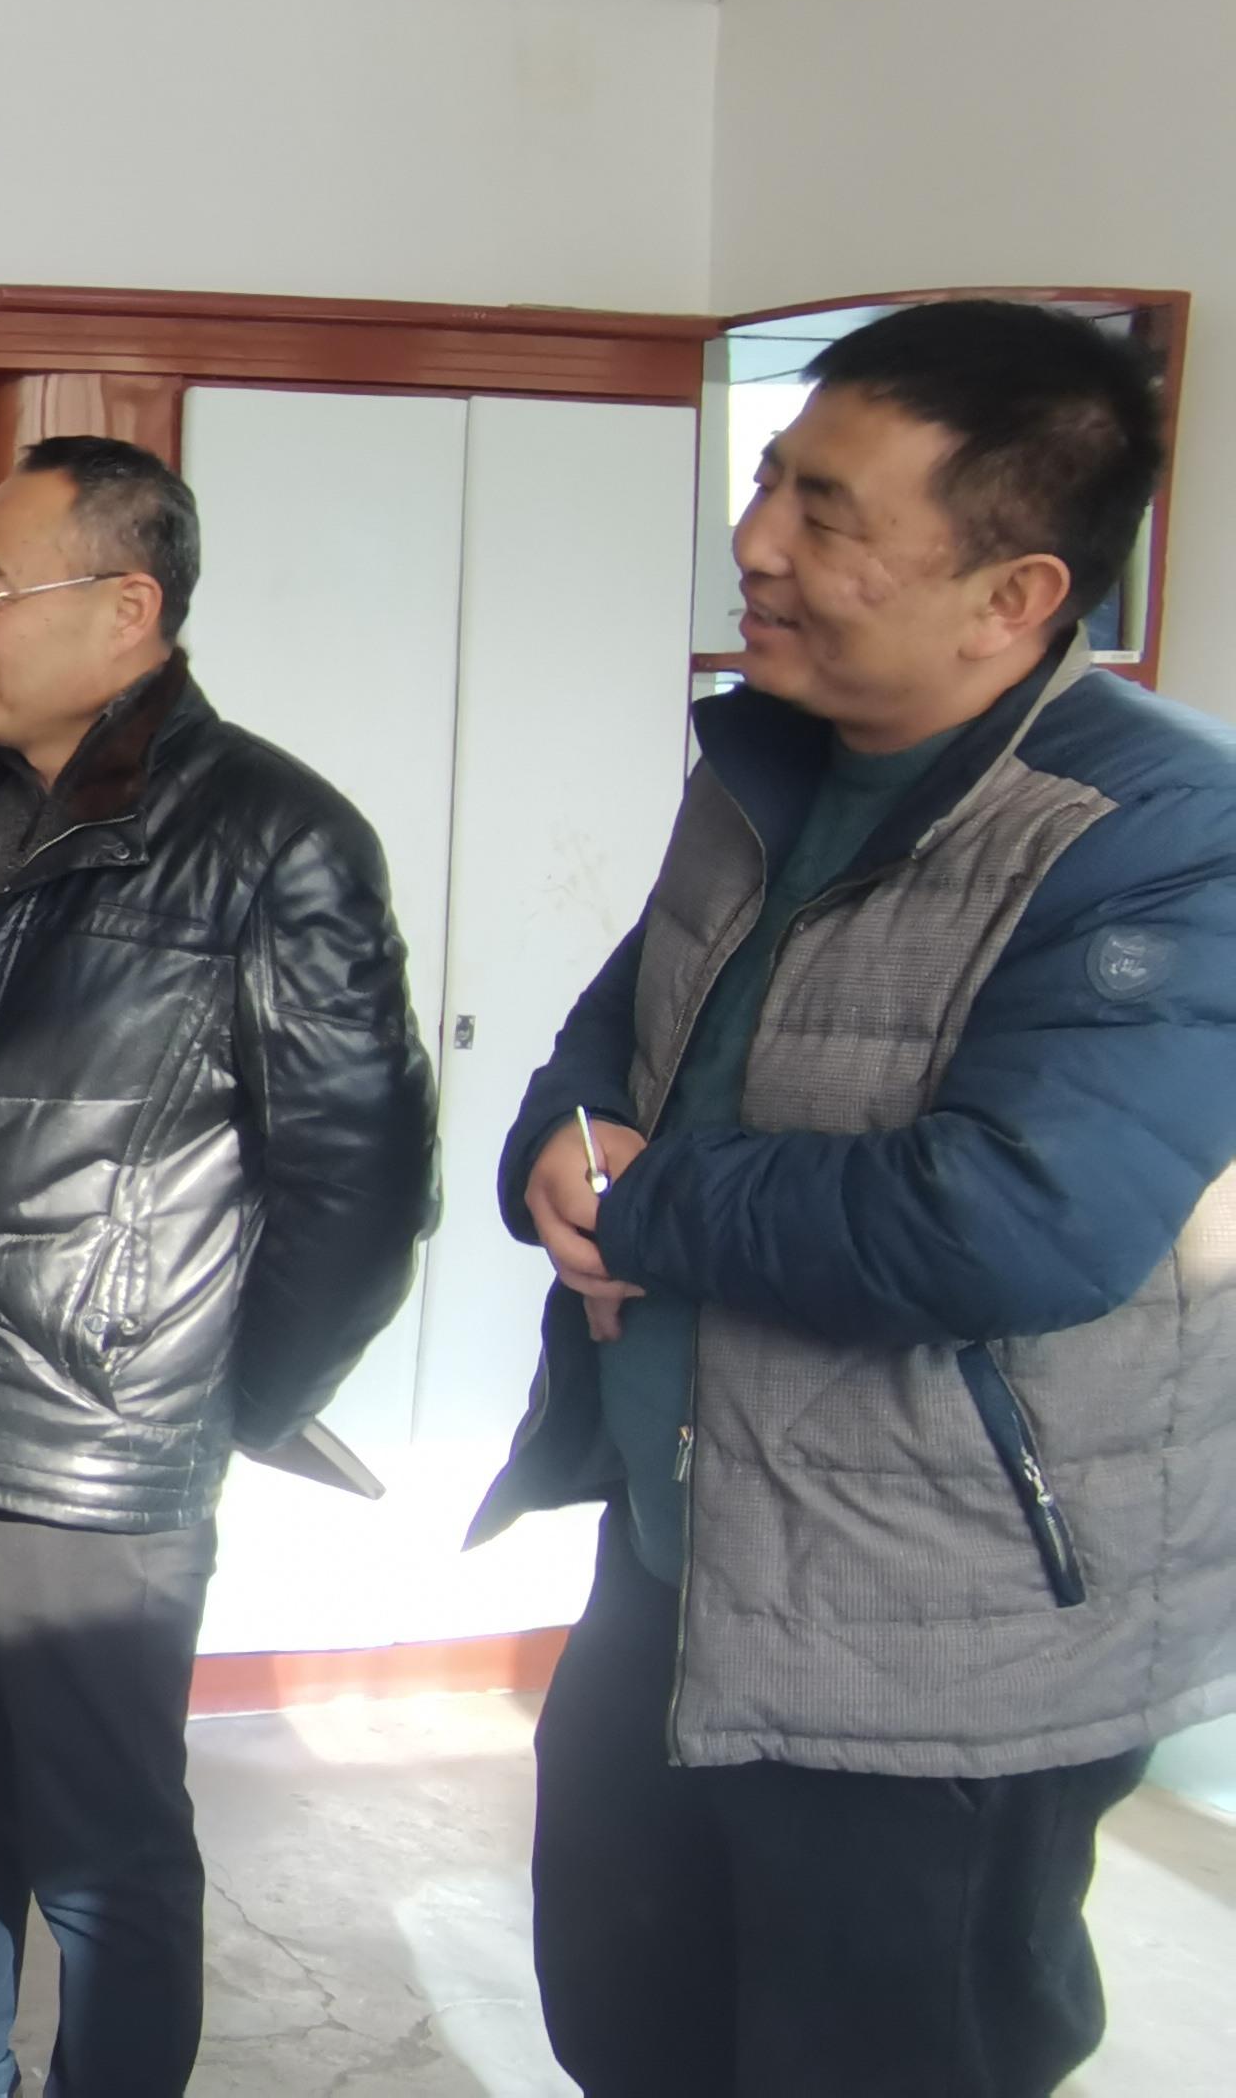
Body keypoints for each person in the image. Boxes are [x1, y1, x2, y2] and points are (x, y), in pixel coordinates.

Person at [479, 299, 1236, 2098]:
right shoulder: (766, 765)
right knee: (628, 2033)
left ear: (1012, 594)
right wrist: (556, 1155)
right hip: (674, 1561)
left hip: (935, 1642)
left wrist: (643, 1206)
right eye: (768, 482)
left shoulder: (1157, 831)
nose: (755, 543)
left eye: (827, 513)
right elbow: (615, 1043)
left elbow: (1017, 1220)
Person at [0, 438, 436, 2098]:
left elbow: (364, 1181)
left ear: (130, 606)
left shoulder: (275, 836)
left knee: (102, 1836)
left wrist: (215, 1398)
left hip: (95, 1436)